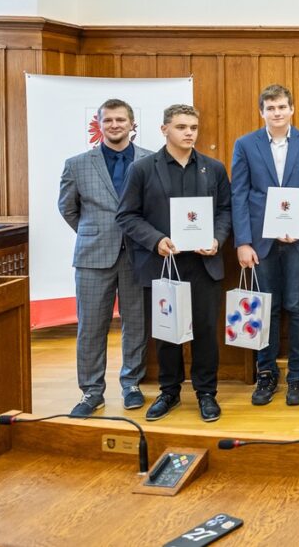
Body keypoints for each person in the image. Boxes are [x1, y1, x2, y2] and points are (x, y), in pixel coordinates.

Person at [116, 104, 232, 422]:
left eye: (193, 127)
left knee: (206, 330)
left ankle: (207, 393)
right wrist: (156, 240)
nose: (189, 133)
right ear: (164, 129)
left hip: (204, 263)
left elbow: (225, 211)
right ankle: (169, 392)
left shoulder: (214, 168)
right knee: (168, 332)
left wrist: (217, 239)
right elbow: (126, 215)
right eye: (182, 127)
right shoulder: (142, 169)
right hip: (162, 264)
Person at [231, 84, 299, 407]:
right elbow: (239, 195)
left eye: (282, 107)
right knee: (265, 308)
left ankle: (298, 376)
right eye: (270, 108)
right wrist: (243, 242)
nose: (276, 113)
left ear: (292, 109)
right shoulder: (245, 145)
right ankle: (266, 373)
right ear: (262, 112)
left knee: (298, 306)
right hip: (260, 243)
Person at [58, 99, 153, 416]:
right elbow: (68, 209)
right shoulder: (77, 164)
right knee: (90, 326)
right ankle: (91, 392)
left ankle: (131, 385)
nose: (115, 125)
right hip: (92, 256)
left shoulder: (150, 160)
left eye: (121, 119)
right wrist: (93, 232)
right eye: (108, 120)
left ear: (132, 123)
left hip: (137, 255)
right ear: (99, 124)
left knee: (136, 324)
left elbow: (154, 208)